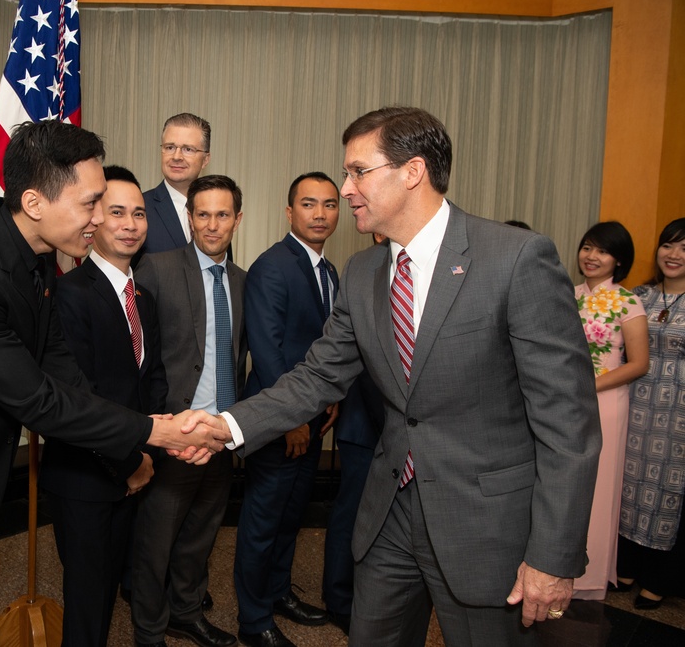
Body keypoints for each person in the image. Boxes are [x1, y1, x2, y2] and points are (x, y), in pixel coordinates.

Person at [199, 106, 600, 646]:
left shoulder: (515, 258)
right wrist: (224, 426)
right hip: (391, 512)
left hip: (484, 524)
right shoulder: (364, 273)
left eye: (358, 171)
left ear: (412, 172)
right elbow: (315, 377)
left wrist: (552, 556)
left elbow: (567, 423)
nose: (345, 189)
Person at [0, 121, 228, 647]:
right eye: (91, 203)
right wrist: (153, 433)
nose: (100, 217)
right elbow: (37, 399)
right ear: (35, 202)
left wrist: (143, 436)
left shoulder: (36, 261)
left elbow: (65, 375)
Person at [41, 165, 168, 646]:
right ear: (93, 219)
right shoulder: (69, 295)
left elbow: (152, 383)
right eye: (117, 212)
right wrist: (130, 459)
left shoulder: (144, 299)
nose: (131, 224)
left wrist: (148, 453)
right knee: (88, 602)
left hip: (135, 470)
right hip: (85, 477)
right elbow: (77, 398)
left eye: (139, 213)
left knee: (113, 587)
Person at [132, 175, 248, 647]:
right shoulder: (155, 269)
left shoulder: (243, 281)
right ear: (189, 217)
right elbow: (136, 361)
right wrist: (153, 432)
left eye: (223, 214)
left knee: (201, 536)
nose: (212, 224)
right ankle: (148, 631)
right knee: (154, 545)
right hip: (172, 436)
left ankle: (186, 611)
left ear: (237, 219)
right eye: (203, 214)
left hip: (222, 435)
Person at [232, 172, 341, 647]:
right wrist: (294, 416)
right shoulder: (272, 266)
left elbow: (331, 347)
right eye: (309, 204)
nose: (320, 214)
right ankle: (253, 621)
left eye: (330, 204)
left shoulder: (329, 270)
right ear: (289, 211)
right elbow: (268, 350)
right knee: (262, 522)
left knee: (290, 516)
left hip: (315, 418)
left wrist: (331, 398)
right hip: (281, 419)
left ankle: (278, 594)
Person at [572, 221, 648, 600]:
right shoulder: (567, 295)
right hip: (565, 401)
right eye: (587, 247)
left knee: (598, 486)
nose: (591, 256)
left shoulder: (628, 301)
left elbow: (638, 364)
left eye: (601, 250)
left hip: (605, 401)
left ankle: (588, 576)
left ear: (618, 260)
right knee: (565, 482)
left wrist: (588, 385)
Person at [321, 232, 388, 635]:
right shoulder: (363, 272)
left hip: (402, 435)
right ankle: (339, 599)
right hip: (365, 424)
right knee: (352, 515)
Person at [617, 217, 685, 610]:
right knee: (631, 481)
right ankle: (628, 564)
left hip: (677, 413)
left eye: (683, 249)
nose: (673, 255)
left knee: (669, 491)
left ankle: (660, 576)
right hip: (637, 402)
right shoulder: (639, 296)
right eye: (667, 245)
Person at [141, 113, 211, 256]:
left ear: (205, 160)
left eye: (188, 149)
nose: (177, 157)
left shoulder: (217, 211)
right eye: (170, 147)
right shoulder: (140, 208)